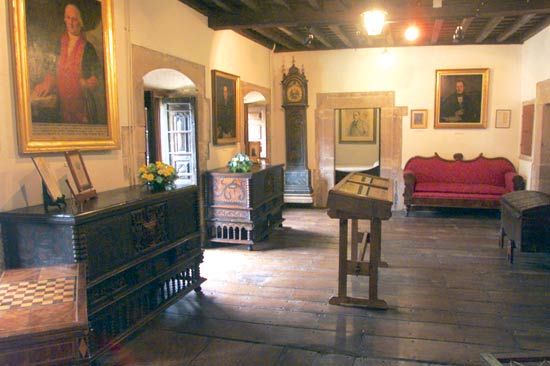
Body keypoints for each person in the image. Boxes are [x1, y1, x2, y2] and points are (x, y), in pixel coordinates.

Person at [32, 4, 103, 124]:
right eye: (68, 18)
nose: (70, 22)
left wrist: (89, 82)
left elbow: (97, 77)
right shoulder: (58, 44)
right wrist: (47, 83)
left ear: (80, 22)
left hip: (82, 107)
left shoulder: (89, 49)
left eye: (74, 19)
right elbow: (51, 71)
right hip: (60, 105)